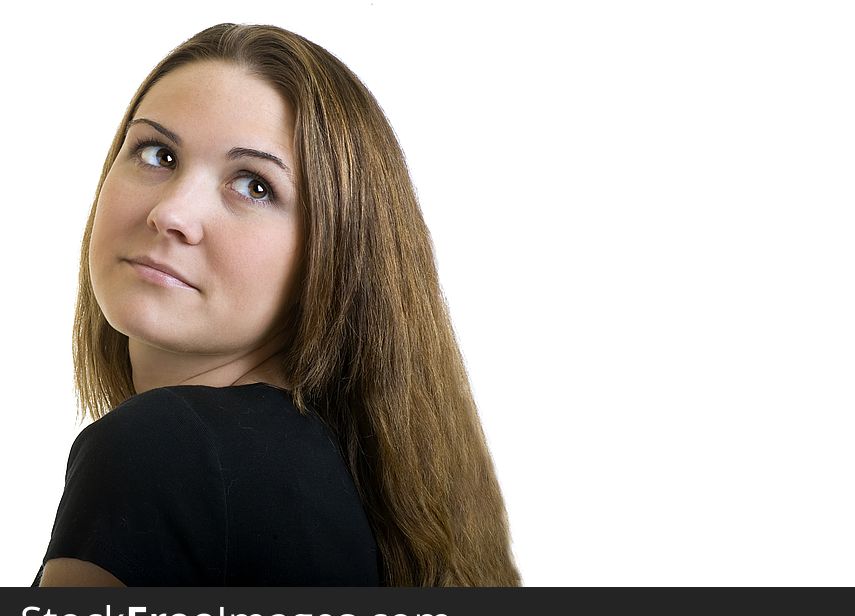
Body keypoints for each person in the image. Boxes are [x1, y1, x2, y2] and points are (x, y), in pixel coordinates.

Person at [32, 23, 521, 586]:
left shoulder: (157, 453)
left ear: (333, 253)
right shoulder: (354, 486)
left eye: (254, 186)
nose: (172, 213)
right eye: (157, 153)